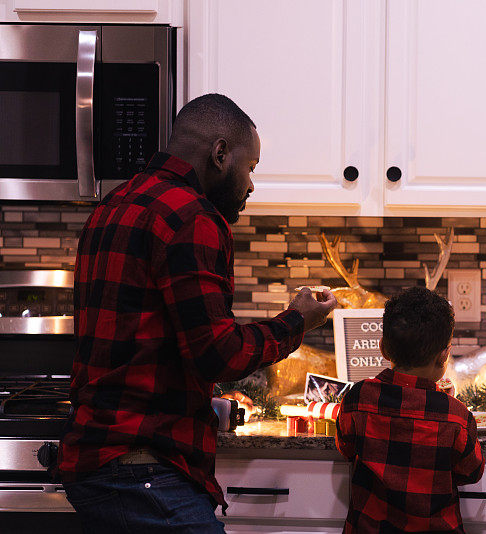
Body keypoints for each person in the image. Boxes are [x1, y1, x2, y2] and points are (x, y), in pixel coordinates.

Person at [58, 93, 337, 532]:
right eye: (251, 168)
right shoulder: (193, 218)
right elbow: (217, 354)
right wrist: (297, 320)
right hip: (144, 473)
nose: (250, 185)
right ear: (220, 153)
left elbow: (140, 348)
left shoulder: (111, 206)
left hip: (97, 463)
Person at [335, 287, 485, 533]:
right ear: (444, 356)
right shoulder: (455, 416)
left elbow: (346, 448)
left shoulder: (358, 398)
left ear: (383, 348)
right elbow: (472, 471)